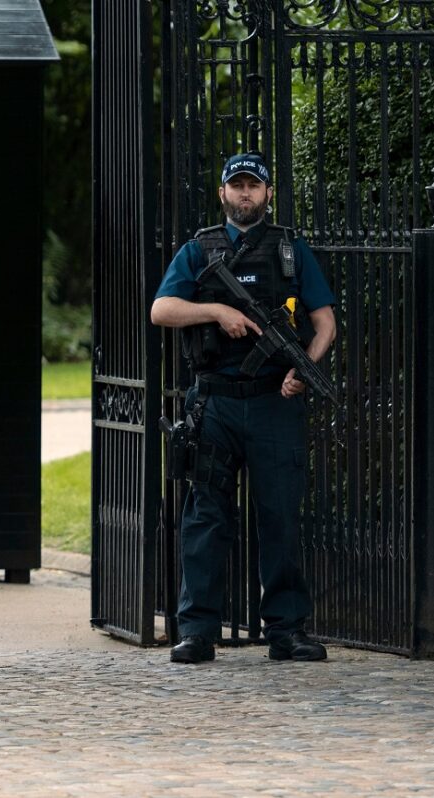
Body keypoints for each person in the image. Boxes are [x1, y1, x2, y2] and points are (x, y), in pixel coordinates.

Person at [150, 153, 337, 665]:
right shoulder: (198, 249)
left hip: (275, 400)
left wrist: (305, 368)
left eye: (254, 185)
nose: (246, 193)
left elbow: (325, 323)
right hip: (214, 403)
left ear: (268, 193)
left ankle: (286, 631)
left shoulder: (291, 249)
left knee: (280, 517)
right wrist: (217, 310)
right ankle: (197, 631)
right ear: (223, 193)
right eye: (237, 186)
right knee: (205, 517)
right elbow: (162, 309)